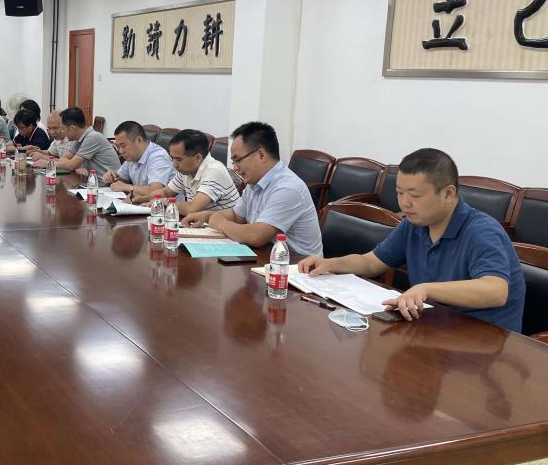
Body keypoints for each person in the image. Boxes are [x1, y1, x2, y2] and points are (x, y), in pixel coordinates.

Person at [298, 148, 524, 330]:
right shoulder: (414, 225)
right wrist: (330, 264)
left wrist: (426, 289)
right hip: (433, 328)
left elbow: (496, 291)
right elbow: (372, 262)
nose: (404, 203)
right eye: (399, 192)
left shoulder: (481, 231)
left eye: (415, 195)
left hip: (484, 343)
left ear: (448, 194)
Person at [185, 121, 322, 256]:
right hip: (266, 256)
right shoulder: (254, 182)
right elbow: (237, 216)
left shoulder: (288, 188)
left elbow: (256, 236)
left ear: (261, 154)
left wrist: (221, 224)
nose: (235, 167)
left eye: (238, 160)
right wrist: (206, 216)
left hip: (297, 265)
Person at [134, 129, 238, 216]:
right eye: (172, 158)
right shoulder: (186, 171)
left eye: (178, 159)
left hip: (225, 229)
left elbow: (192, 209)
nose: (174, 165)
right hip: (202, 225)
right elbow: (165, 192)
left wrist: (164, 201)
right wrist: (140, 200)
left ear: (198, 157)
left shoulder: (214, 171)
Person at [103, 121, 174, 198]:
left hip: (169, 204)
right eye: (118, 147)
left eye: (123, 146)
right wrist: (112, 177)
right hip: (142, 202)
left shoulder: (158, 157)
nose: (120, 151)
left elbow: (156, 191)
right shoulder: (133, 156)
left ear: (138, 140)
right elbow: (122, 179)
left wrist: (129, 187)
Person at [55, 107, 121, 177]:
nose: (62, 132)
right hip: (92, 181)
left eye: (63, 129)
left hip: (107, 182)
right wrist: (72, 165)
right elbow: (63, 159)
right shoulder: (79, 138)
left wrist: (51, 164)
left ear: (72, 128)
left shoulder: (93, 137)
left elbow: (71, 165)